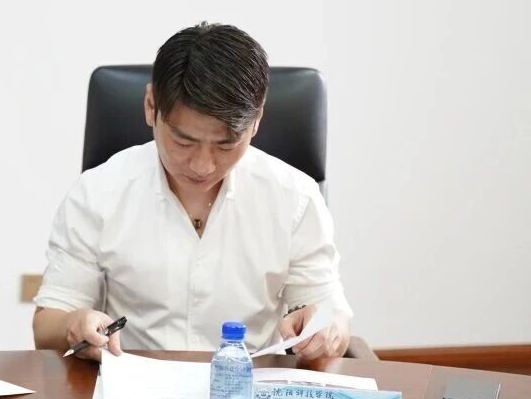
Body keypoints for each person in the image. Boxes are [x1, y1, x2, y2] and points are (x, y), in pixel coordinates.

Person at [32, 23, 353, 362]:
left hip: (248, 384)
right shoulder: (98, 193)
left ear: (257, 120)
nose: (202, 166)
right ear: (151, 106)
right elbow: (47, 325)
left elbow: (332, 317)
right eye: (183, 142)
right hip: (135, 383)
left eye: (225, 145)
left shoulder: (295, 198)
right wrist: (74, 323)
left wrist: (325, 330)